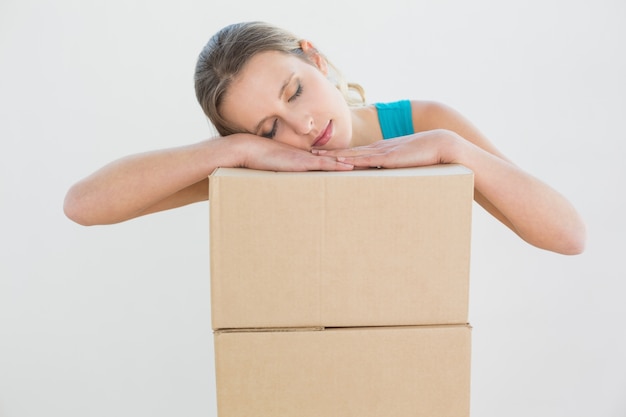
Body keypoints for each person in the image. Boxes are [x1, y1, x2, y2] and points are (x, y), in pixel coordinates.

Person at [64, 21, 586, 255]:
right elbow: (83, 205)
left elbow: (568, 236)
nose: (303, 128)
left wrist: (453, 148)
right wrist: (238, 150)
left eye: (294, 93)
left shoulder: (421, 121)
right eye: (269, 128)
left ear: (314, 59)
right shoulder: (261, 162)